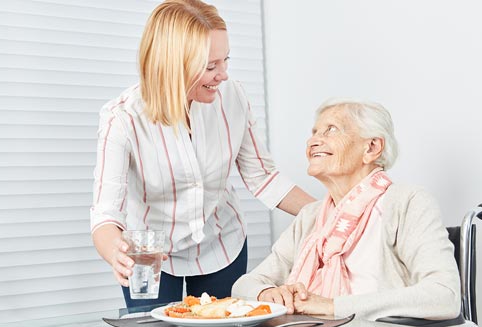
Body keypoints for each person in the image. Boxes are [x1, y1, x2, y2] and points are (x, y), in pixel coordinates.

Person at [89, 0, 315, 309]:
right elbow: (105, 215)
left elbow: (262, 177)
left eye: (225, 61)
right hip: (151, 253)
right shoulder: (123, 118)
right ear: (172, 65)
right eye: (210, 66)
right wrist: (114, 250)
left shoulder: (232, 96)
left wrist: (326, 213)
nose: (223, 75)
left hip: (221, 243)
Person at [232, 98, 461, 321]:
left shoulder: (407, 202)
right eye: (314, 132)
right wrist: (265, 293)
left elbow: (444, 295)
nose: (313, 141)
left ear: (372, 147)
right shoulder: (310, 216)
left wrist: (333, 306)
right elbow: (244, 285)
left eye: (331, 130)